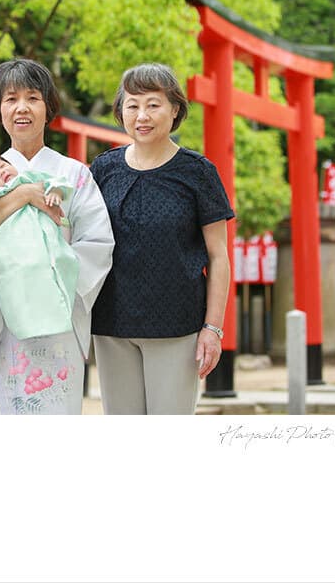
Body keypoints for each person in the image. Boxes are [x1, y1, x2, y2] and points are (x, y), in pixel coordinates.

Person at [0, 59, 114, 415]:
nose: (21, 107)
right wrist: (25, 196)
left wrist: (54, 281)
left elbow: (98, 243)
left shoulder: (73, 174)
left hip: (55, 311)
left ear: (48, 108)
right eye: (10, 99)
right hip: (0, 313)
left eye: (33, 98)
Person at [89, 63, 234, 415]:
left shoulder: (197, 173)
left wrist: (212, 329)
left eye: (153, 104)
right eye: (132, 104)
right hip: (111, 324)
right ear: (120, 111)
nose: (142, 115)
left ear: (175, 109)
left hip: (177, 326)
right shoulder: (102, 169)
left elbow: (219, 256)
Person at [0, 150, 79, 343]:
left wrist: (56, 191)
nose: (0, 173)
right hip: (11, 250)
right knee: (15, 284)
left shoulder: (29, 178)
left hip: (45, 242)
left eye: (1, 166)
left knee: (60, 267)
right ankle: (24, 325)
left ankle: (58, 317)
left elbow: (57, 182)